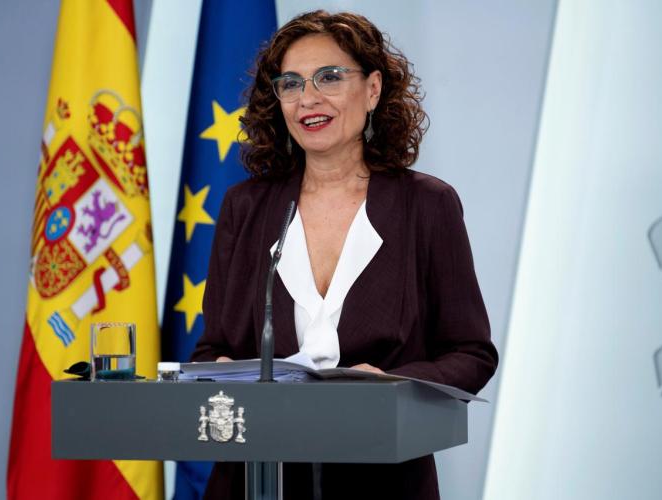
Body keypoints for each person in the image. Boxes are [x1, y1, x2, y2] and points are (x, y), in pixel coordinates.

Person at [190, 10, 498, 500]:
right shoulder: (245, 207)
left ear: (373, 89)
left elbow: (471, 354)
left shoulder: (427, 205)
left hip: (384, 479)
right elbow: (212, 349)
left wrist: (391, 381)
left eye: (329, 77)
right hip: (257, 477)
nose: (308, 98)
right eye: (291, 84)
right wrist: (225, 370)